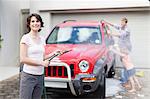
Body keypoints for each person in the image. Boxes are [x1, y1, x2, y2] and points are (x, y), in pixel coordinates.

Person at [19, 13, 60, 99]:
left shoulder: (42, 39)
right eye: (32, 21)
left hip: (40, 77)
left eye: (37, 21)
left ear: (40, 23)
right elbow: (23, 59)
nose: (35, 23)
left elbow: (42, 57)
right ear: (29, 24)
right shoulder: (25, 38)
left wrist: (53, 54)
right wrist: (41, 63)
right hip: (28, 76)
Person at [103, 17, 142, 92]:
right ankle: (136, 85)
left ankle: (131, 86)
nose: (121, 24)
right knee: (127, 66)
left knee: (126, 67)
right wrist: (107, 22)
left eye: (122, 22)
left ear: (126, 23)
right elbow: (115, 26)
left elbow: (120, 36)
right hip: (129, 63)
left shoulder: (127, 30)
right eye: (121, 22)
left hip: (126, 48)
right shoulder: (121, 27)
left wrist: (110, 35)